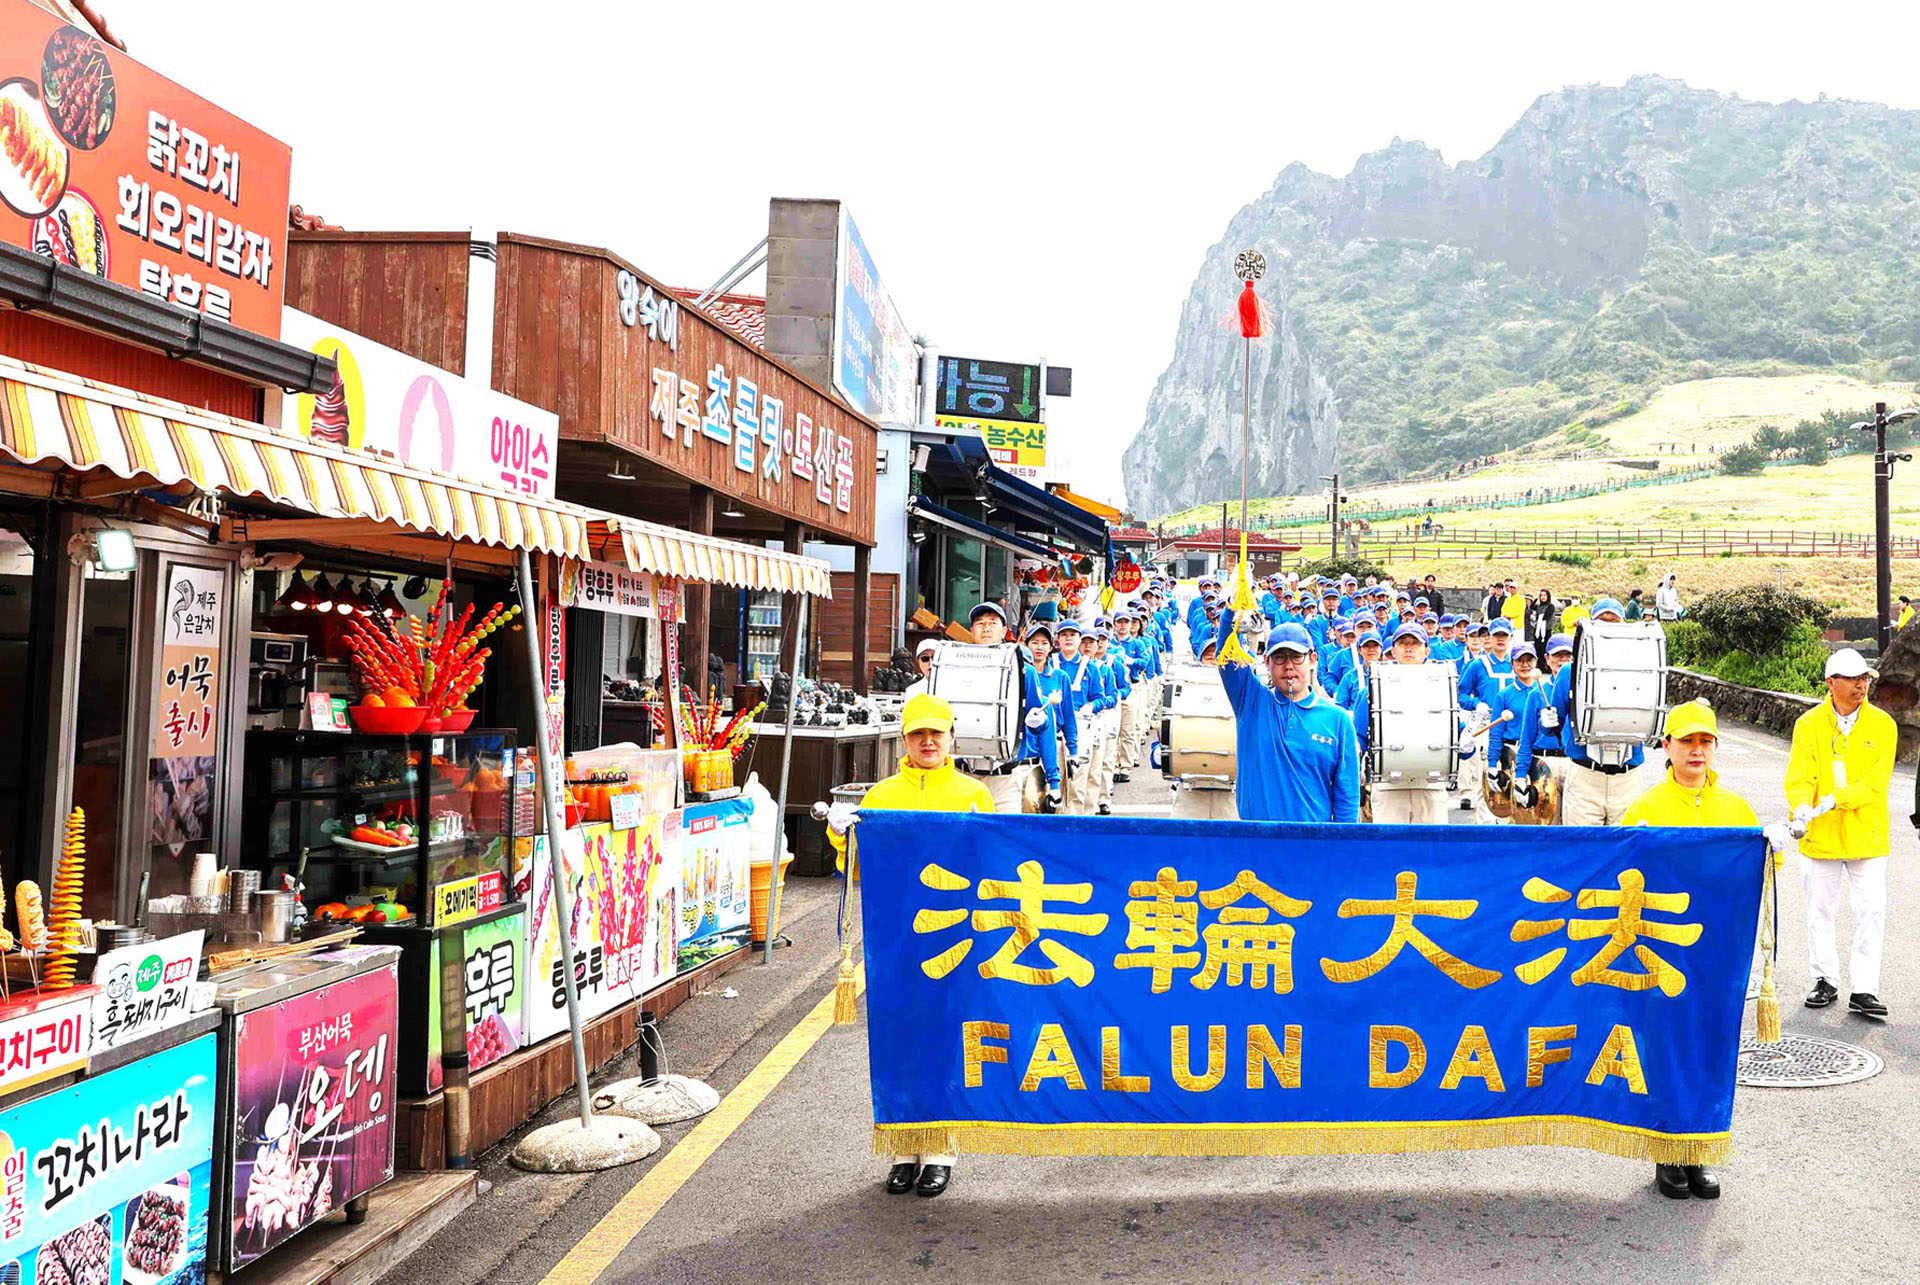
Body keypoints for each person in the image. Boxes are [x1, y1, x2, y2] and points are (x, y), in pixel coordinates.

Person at [1620, 698, 1787, 1202]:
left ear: (1715, 748)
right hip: (1661, 950)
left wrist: (1771, 848)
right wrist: (1631, 845)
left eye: (1705, 742)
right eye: (1687, 741)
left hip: (1718, 950)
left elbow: (1758, 872)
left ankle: (1700, 1150)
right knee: (1667, 1044)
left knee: (1712, 1045)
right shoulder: (1646, 808)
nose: (1696, 750)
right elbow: (1618, 870)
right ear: (1666, 746)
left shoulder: (1735, 808)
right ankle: (1667, 1152)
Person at [827, 693, 991, 1198]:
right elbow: (857, 866)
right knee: (896, 1039)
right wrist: (841, 835)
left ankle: (939, 1150)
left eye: (935, 733)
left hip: (956, 936)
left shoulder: (973, 794)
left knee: (944, 1039)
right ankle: (902, 1149)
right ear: (904, 740)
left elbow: (992, 863)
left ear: (951, 737)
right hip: (895, 935)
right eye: (918, 733)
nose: (927, 742)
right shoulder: (881, 796)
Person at [1786, 647, 1895, 1019]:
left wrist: (1836, 799)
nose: (1860, 686)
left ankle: (1865, 988)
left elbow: (1875, 784)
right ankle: (1824, 980)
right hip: (1821, 834)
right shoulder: (1809, 724)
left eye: (1864, 678)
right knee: (1819, 910)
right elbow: (1800, 774)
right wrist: (1801, 805)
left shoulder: (1883, 725)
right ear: (1831, 683)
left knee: (1871, 910)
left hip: (1867, 834)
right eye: (1851, 679)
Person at [1214, 616, 1361, 823]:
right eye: (1280, 657)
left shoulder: (1338, 720)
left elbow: (1347, 797)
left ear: (1313, 659)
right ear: (1267, 662)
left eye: (1296, 657)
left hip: (1312, 839)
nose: (1288, 666)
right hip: (1255, 837)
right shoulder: (1251, 703)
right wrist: (1232, 611)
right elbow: (1227, 657)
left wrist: (1342, 840)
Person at [1522, 598, 1644, 825]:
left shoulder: (1642, 668)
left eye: (1614, 621)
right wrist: (1546, 723)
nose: (1608, 626)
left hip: (1628, 774)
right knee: (1582, 844)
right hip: (1585, 775)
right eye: (1602, 620)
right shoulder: (1569, 671)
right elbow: (1553, 727)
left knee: (1627, 845)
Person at [1351, 624, 1457, 824]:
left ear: (1427, 650)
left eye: (1415, 643)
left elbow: (1456, 733)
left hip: (1431, 786)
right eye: (1403, 643)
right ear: (1393, 650)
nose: (1409, 648)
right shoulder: (1372, 690)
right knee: (1391, 843)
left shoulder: (1443, 687)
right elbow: (1360, 737)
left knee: (1430, 843)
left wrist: (1466, 742)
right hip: (1388, 787)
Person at [965, 602, 1064, 813]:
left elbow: (1041, 722)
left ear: (1004, 631)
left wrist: (1038, 721)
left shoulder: (1024, 671)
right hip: (964, 774)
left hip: (1005, 776)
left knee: (1005, 831)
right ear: (972, 629)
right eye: (980, 623)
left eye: (992, 623)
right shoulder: (959, 666)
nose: (986, 628)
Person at [1056, 621, 1109, 815]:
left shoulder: (1090, 668)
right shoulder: (1050, 663)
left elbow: (1100, 698)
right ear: (1058, 640)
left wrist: (1091, 706)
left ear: (1079, 640)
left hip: (1080, 729)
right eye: (1064, 635)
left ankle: (1076, 822)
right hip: (1053, 731)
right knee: (1053, 784)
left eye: (1072, 635)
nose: (1068, 638)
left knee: (1077, 785)